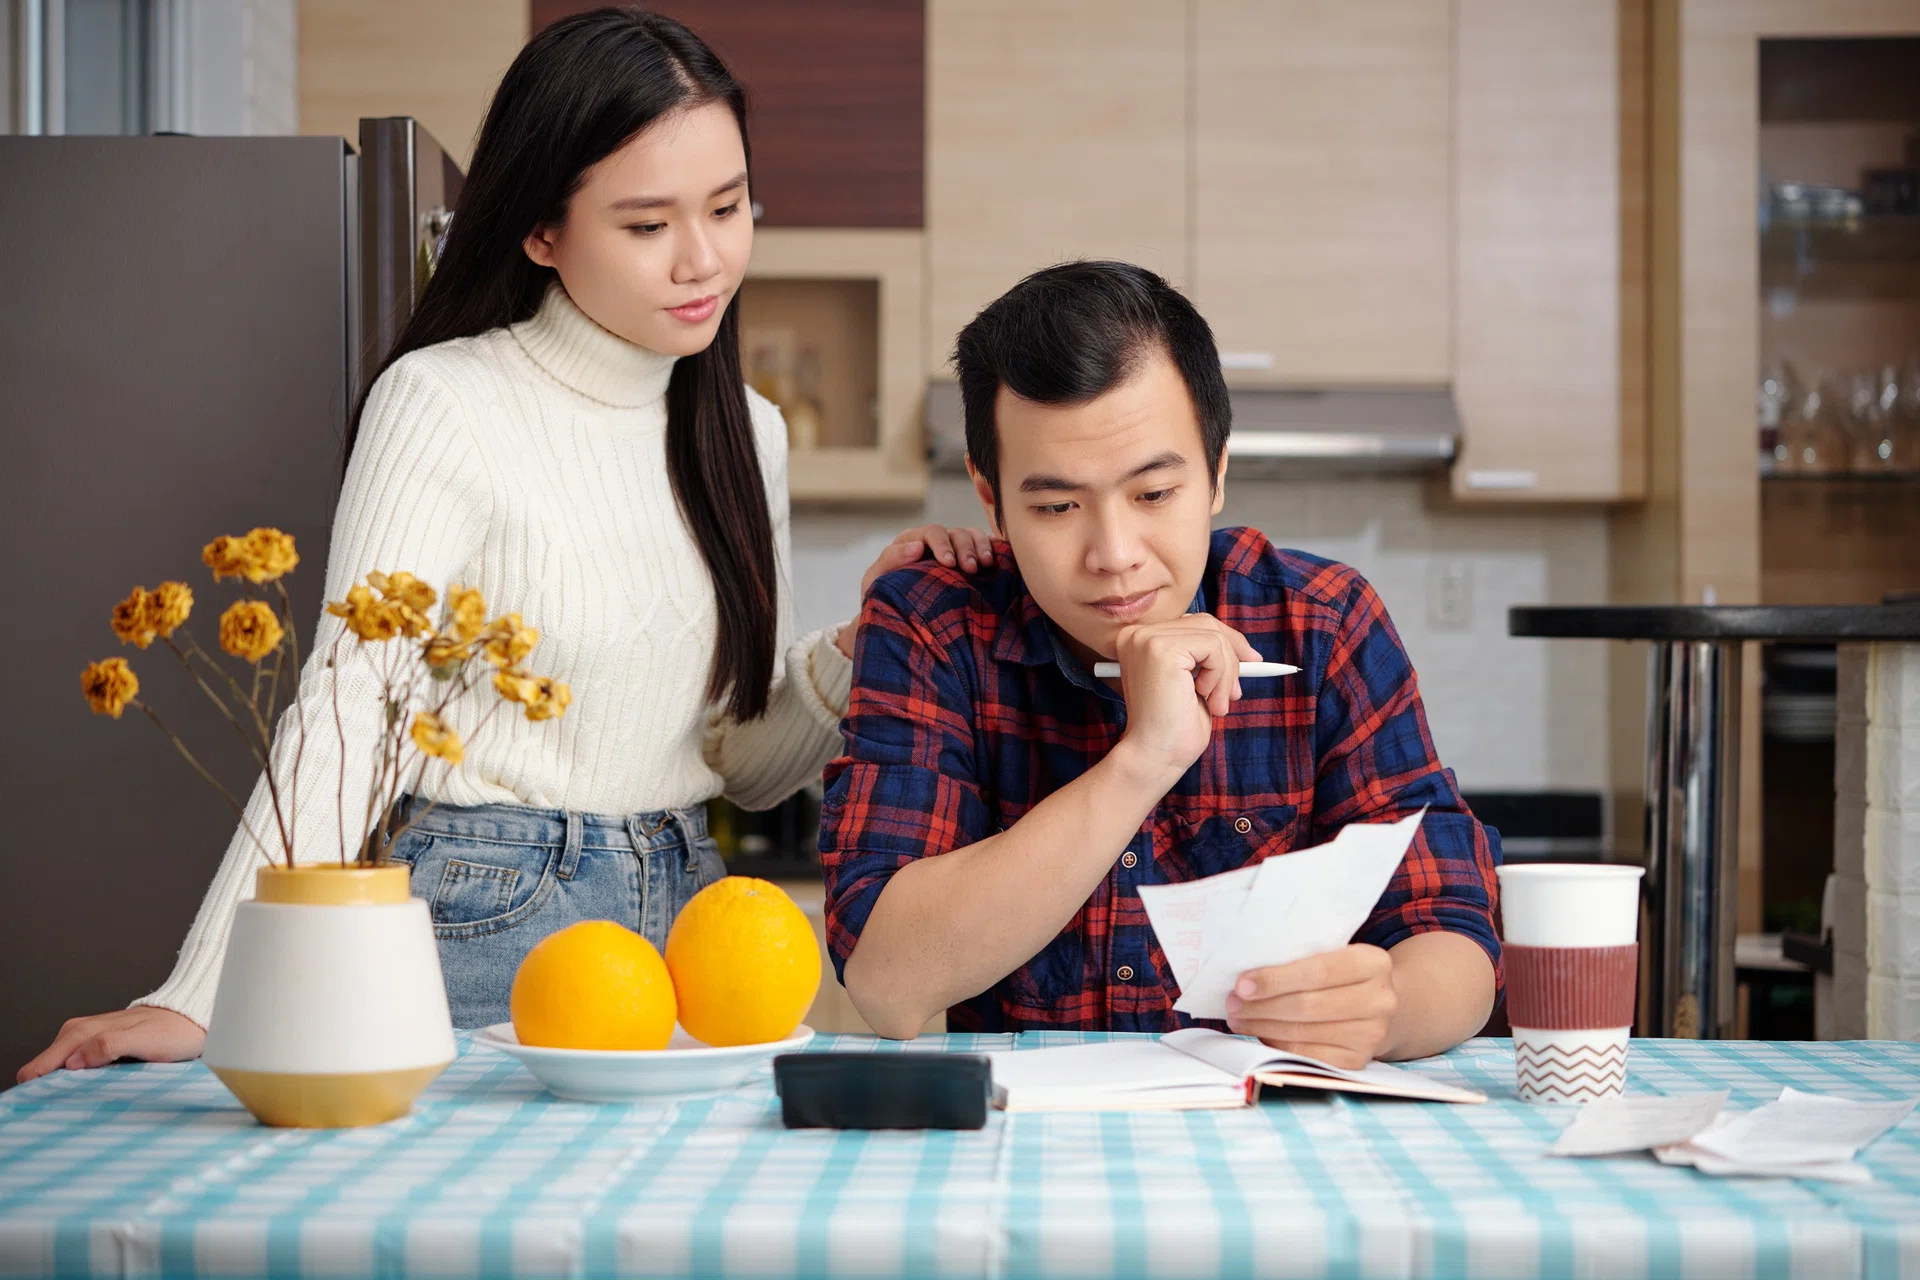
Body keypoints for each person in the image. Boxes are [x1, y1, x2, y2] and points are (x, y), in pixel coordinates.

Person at [20, 8, 991, 1083]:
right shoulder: (447, 401)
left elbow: (741, 762)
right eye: (646, 225)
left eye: (727, 206)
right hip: (489, 907)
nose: (704, 258)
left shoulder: (743, 431)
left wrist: (866, 637)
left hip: (694, 915)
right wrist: (200, 994)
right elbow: (351, 703)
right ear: (541, 229)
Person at [818, 261, 1501, 1069]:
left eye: (1152, 496)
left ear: (1215, 473)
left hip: (1268, 1139)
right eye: (1056, 507)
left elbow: (1454, 932)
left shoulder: (1322, 622)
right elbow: (888, 983)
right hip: (1022, 1149)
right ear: (990, 497)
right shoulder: (934, 625)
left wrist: (1385, 1011)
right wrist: (1143, 759)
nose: (1114, 556)